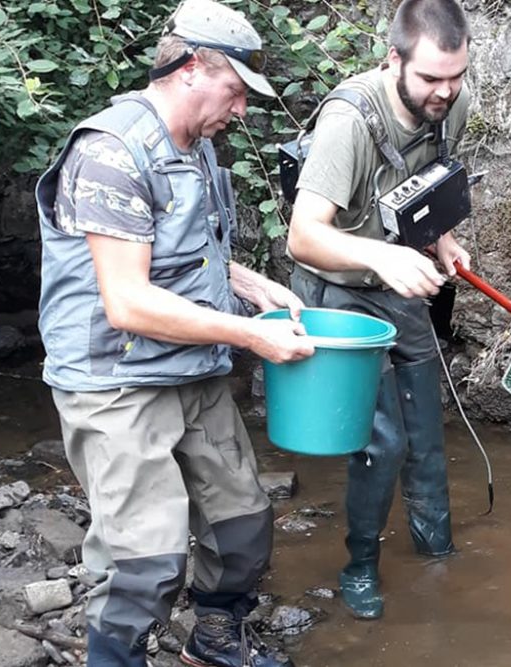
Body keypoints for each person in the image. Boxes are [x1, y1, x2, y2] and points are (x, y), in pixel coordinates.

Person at [35, 1, 314, 665]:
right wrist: (251, 337)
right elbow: (128, 299)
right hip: (116, 381)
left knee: (242, 523)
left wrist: (249, 283)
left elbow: (177, 253)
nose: (241, 110)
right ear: (192, 69)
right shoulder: (110, 151)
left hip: (190, 367)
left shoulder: (195, 148)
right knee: (145, 562)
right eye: (236, 91)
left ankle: (215, 637)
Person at [286, 0, 472, 620]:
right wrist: (381, 258)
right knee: (383, 440)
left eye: (456, 76)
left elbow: (426, 186)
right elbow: (302, 237)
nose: (444, 92)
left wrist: (443, 238)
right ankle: (359, 564)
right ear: (393, 59)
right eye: (430, 79)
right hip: (335, 287)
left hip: (398, 276)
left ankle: (435, 547)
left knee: (425, 428)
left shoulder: (451, 103)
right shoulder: (351, 121)